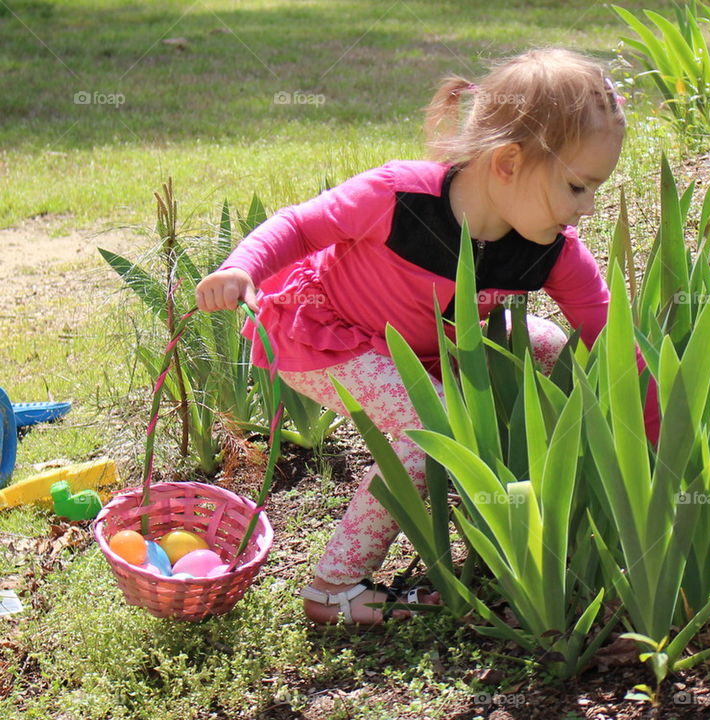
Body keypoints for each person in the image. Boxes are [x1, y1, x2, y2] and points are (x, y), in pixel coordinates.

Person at [195, 48, 661, 626]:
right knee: (432, 432)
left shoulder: (552, 250)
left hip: (427, 349)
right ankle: (334, 589)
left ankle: (511, 498)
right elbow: (299, 224)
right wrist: (243, 268)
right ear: (509, 163)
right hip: (330, 339)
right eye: (575, 186)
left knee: (548, 345)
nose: (586, 208)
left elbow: (610, 339)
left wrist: (661, 446)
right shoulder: (398, 198)